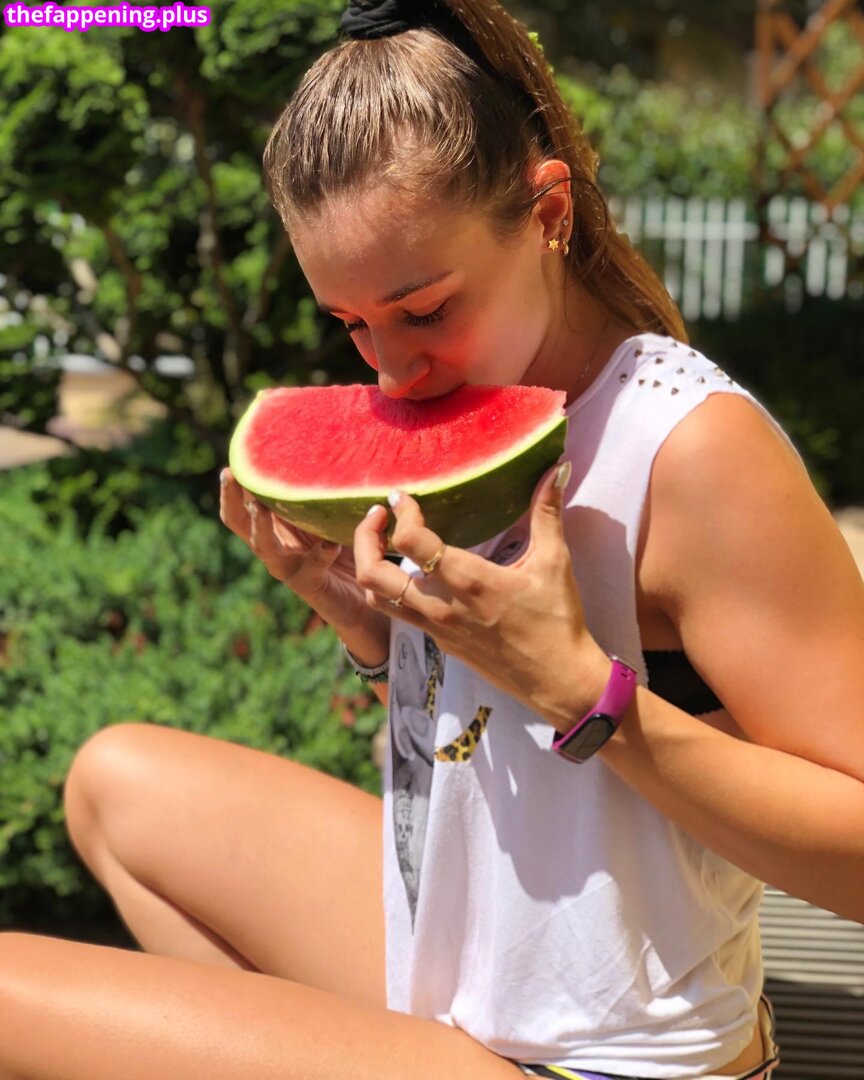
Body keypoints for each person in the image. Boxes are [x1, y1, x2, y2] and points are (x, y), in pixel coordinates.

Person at [1, 1, 862, 1077]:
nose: (392, 370)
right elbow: (486, 764)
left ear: (549, 213)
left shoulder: (689, 452)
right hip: (465, 982)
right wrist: (371, 635)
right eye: (351, 325)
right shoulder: (478, 401)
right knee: (115, 785)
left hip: (607, 1060)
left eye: (424, 310)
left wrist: (581, 695)